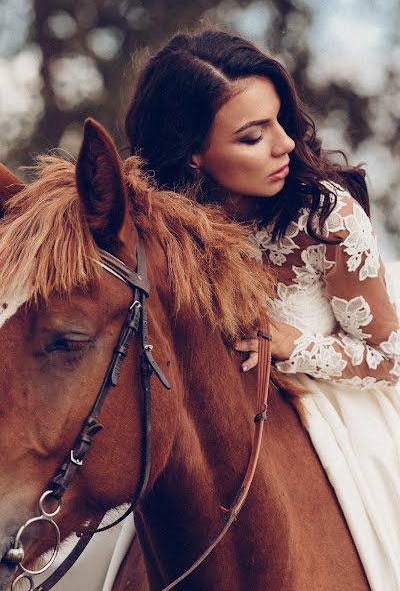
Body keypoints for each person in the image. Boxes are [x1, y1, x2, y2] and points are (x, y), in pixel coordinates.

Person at [122, 29, 400, 590]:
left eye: (279, 121)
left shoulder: (326, 217)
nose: (286, 146)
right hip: (206, 418)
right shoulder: (166, 229)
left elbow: (392, 355)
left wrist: (296, 345)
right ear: (193, 155)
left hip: (338, 410)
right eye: (253, 136)